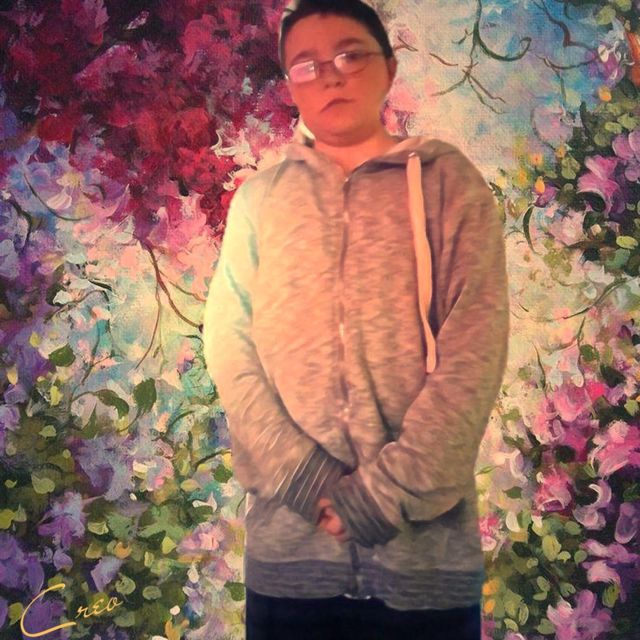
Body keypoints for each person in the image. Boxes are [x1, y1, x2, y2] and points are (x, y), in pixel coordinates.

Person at [202, 1, 510, 638]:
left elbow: (474, 352)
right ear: (290, 85)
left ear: (389, 68)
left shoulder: (448, 184)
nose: (330, 75)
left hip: (423, 569)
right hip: (290, 561)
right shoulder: (259, 201)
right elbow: (229, 347)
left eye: (349, 54)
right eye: (306, 65)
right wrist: (304, 479)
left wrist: (379, 496)